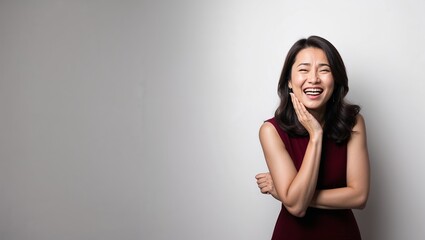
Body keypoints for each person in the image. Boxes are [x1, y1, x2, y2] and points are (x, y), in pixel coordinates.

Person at [255, 36, 370, 239]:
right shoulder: (271, 131)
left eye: (324, 70)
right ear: (289, 81)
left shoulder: (353, 122)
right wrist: (315, 136)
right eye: (303, 69)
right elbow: (297, 208)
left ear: (335, 79)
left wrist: (287, 195)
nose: (314, 78)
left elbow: (359, 196)